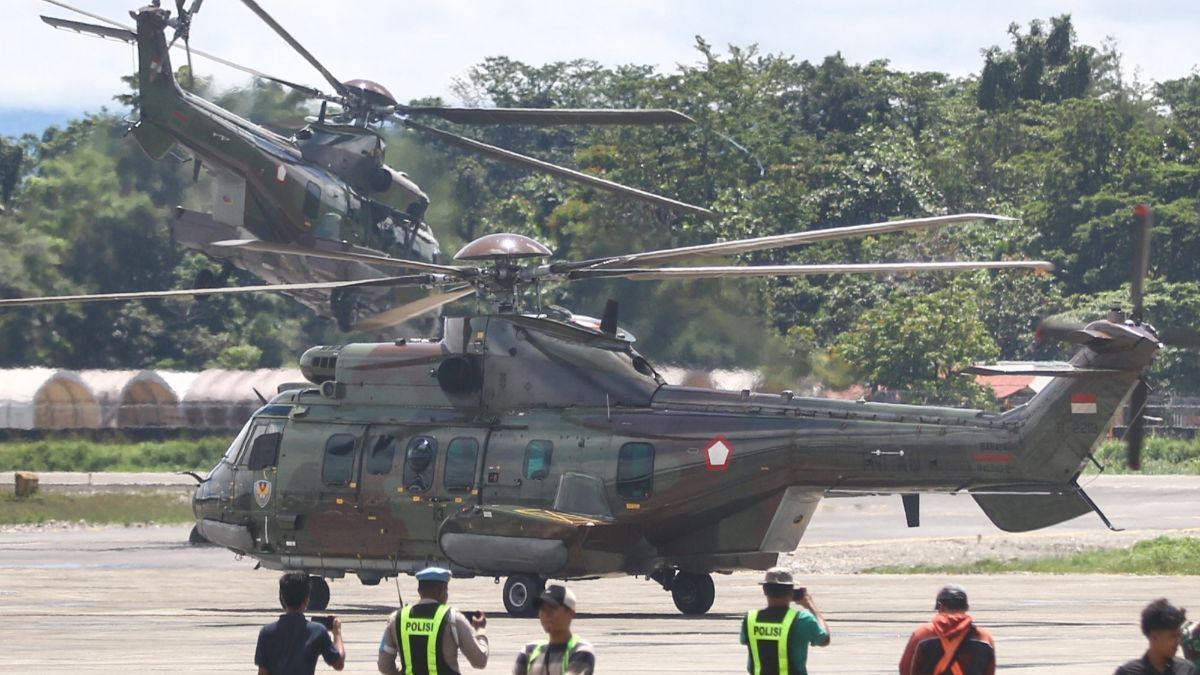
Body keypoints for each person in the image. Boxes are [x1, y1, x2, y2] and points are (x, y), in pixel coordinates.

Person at [378, 566, 489, 674]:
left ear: (419, 591)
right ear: (441, 591)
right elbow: (479, 661)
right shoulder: (453, 618)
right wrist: (481, 632)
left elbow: (384, 666)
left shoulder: (397, 619)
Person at [739, 567, 831, 675]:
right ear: (791, 592)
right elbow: (824, 639)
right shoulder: (803, 620)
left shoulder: (750, 619)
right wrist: (811, 606)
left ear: (764, 590)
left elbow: (745, 640)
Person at [255, 572, 346, 675]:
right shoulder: (317, 631)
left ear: (282, 598)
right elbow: (338, 663)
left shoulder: (267, 633)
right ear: (307, 599)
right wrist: (337, 633)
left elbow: (263, 672)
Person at [899, 584, 994, 675]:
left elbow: (906, 669)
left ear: (940, 606)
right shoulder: (983, 637)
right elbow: (989, 671)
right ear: (966, 608)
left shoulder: (924, 634)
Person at [513, 583, 596, 675]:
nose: (546, 614)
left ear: (570, 614)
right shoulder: (529, 651)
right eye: (542, 609)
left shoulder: (581, 650)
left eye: (552, 608)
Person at [1114, 598, 1199, 674]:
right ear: (1154, 636)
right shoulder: (1128, 672)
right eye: (1173, 636)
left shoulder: (1188, 671)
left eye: (1179, 636)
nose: (1178, 641)